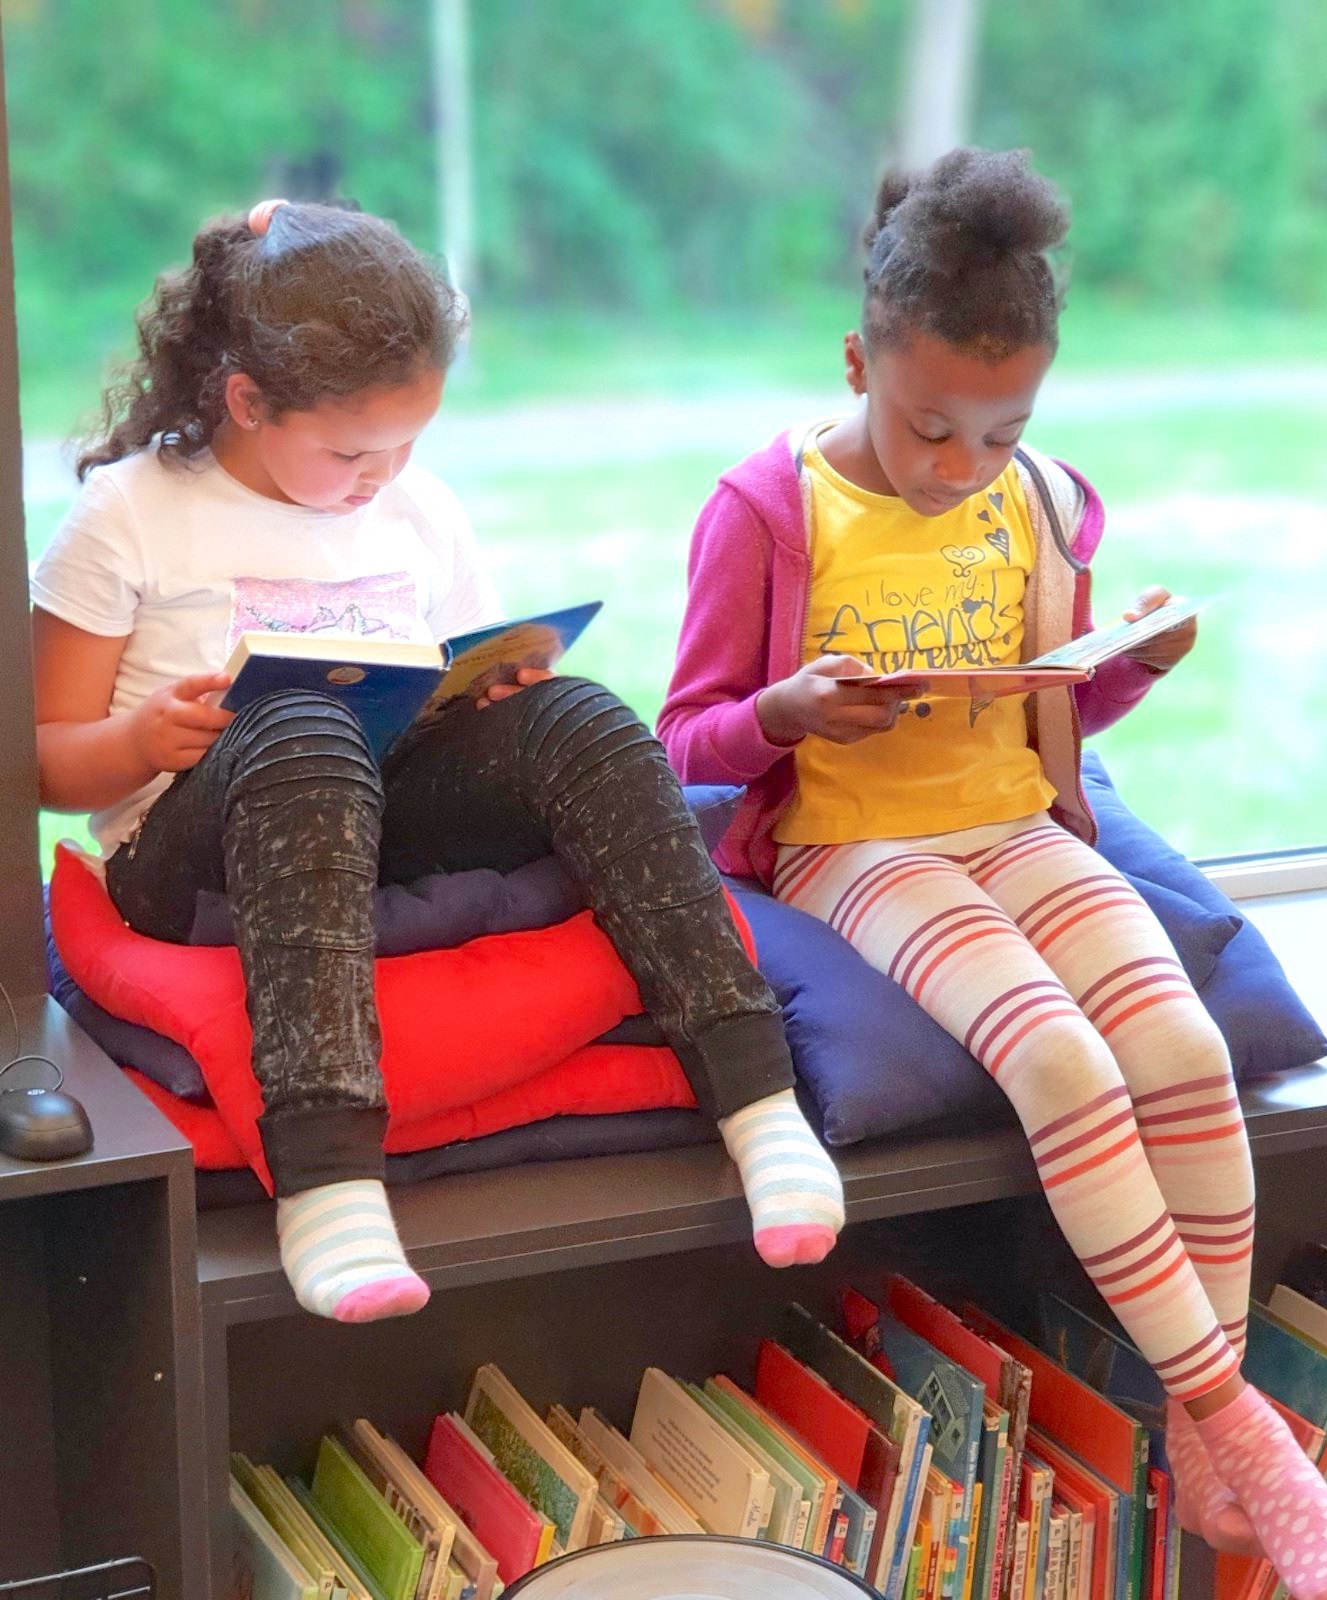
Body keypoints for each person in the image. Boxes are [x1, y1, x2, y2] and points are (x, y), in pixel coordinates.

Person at [659, 148, 1327, 1600]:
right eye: (929, 430)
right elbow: (682, 742)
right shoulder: (767, 506)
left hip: (1021, 823)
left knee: (1178, 1048)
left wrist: (1132, 668)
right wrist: (785, 713)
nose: (962, 465)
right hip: (858, 840)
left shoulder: (1043, 499)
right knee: (1066, 1066)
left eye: (1000, 430)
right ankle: (1235, 1423)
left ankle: (1197, 1438)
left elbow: (1056, 709)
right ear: (858, 360)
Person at [31, 198, 843, 1326]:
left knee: (582, 716)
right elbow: (39, 759)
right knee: (302, 723)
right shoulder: (131, 514)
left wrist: (499, 693)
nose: (385, 473)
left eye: (410, 443)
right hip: (196, 855)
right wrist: (133, 742)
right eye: (352, 450)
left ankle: (757, 1098)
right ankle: (326, 1175)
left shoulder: (417, 510)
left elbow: (454, 673)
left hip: (380, 814)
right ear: (246, 401)